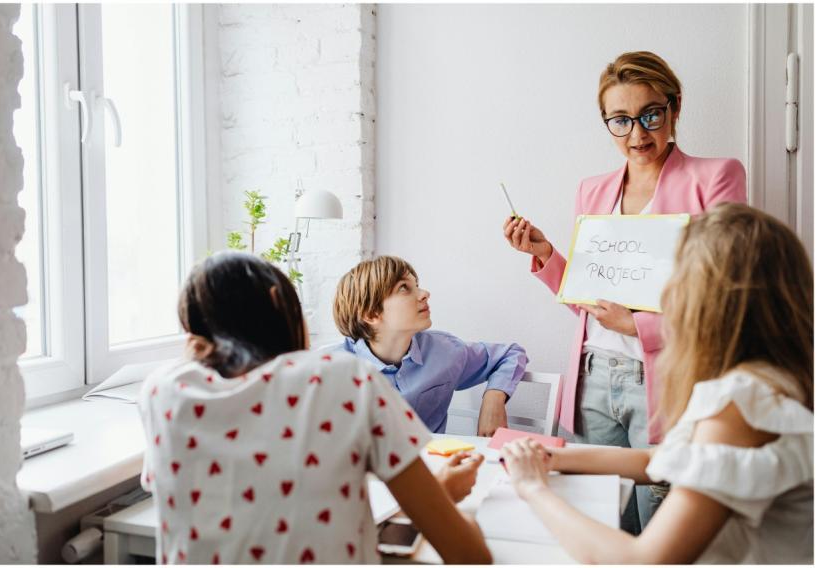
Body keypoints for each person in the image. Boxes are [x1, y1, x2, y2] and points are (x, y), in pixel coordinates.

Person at [502, 50, 746, 531]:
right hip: (593, 376)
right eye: (621, 120)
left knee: (663, 523)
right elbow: (594, 300)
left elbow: (728, 294)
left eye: (651, 115)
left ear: (675, 108)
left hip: (667, 377)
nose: (638, 134)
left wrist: (641, 326)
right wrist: (548, 255)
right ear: (607, 122)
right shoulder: (592, 190)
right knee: (604, 520)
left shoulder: (715, 177)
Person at [501, 203, 814, 564]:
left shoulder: (740, 401)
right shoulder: (770, 378)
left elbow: (643, 559)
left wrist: (532, 488)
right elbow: (660, 459)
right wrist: (555, 456)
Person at [138, 252, 492, 564]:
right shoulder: (345, 378)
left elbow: (277, 515)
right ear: (280, 302)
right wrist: (441, 501)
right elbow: (467, 555)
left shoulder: (164, 393)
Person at [333, 255, 528, 436]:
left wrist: (493, 398)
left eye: (416, 285)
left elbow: (510, 354)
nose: (425, 293)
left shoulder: (445, 351)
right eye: (404, 288)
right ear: (371, 314)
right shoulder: (330, 371)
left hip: (434, 468)